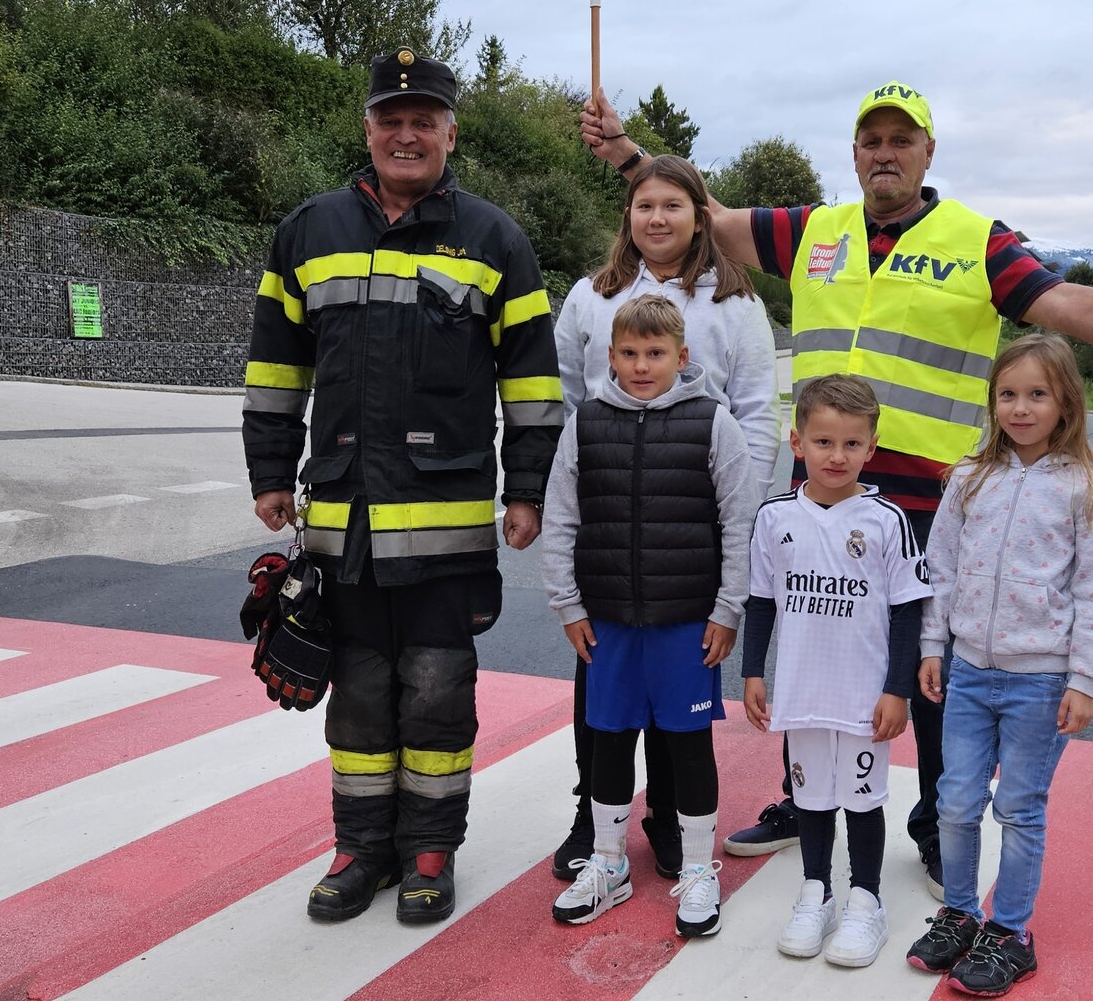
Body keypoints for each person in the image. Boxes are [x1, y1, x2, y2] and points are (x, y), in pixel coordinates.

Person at [580, 80, 1093, 895]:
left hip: (929, 502)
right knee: (813, 649)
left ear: (928, 152)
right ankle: (804, 798)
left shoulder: (976, 238)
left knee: (927, 670)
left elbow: (1063, 301)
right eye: (871, 140)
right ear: (854, 152)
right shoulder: (814, 231)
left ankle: (933, 825)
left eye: (901, 139)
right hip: (820, 493)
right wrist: (626, 156)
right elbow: (702, 214)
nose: (884, 153)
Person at [243, 47, 563, 925]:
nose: (407, 133)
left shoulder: (496, 240)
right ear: (369, 127)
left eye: (425, 120)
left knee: (435, 691)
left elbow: (533, 384)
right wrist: (270, 471)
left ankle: (429, 851)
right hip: (341, 522)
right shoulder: (307, 231)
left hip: (449, 530)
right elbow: (276, 367)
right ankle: (361, 850)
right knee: (357, 693)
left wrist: (526, 490)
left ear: (451, 133)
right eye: (393, 118)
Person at [550, 154, 780, 882]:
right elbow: (566, 392)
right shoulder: (591, 295)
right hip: (612, 519)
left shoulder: (735, 302)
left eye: (673, 206)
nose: (657, 218)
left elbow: (756, 412)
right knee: (603, 686)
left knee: (683, 694)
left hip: (692, 519)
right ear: (629, 215)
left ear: (699, 215)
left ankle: (673, 818)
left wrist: (743, 509)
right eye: (644, 204)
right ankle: (595, 817)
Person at [903, 332, 1093, 996]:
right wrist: (932, 646)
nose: (1020, 408)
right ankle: (961, 914)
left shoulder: (1083, 487)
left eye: (1037, 395)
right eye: (1008, 394)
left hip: (1041, 678)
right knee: (957, 799)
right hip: (967, 671)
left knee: (1020, 809)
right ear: (992, 401)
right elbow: (938, 569)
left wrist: (1085, 679)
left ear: (1065, 404)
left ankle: (1011, 932)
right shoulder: (970, 478)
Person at [540, 293, 758, 938]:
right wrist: (567, 602)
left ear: (681, 357)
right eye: (629, 354)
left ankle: (696, 867)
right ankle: (608, 861)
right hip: (607, 621)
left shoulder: (712, 422)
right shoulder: (586, 422)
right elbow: (561, 516)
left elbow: (738, 521)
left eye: (655, 353)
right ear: (609, 356)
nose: (641, 365)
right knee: (607, 740)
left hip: (688, 622)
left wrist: (728, 608)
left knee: (688, 746)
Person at [741, 374, 930, 967]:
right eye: (823, 442)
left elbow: (907, 612)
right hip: (801, 692)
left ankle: (866, 901)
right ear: (798, 443)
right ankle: (815, 892)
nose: (836, 456)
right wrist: (752, 673)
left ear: (871, 449)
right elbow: (761, 600)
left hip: (863, 697)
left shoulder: (886, 520)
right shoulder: (774, 517)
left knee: (863, 800)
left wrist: (898, 689)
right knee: (813, 798)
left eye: (852, 444)